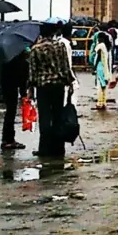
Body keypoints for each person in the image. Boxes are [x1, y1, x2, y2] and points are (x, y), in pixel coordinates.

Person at [27, 26, 75, 159]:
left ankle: (44, 148)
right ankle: (59, 148)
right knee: (58, 116)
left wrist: (30, 88)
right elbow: (65, 66)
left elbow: (32, 71)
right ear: (53, 33)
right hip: (58, 86)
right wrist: (70, 82)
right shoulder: (60, 46)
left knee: (45, 118)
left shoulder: (35, 49)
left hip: (43, 87)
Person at [91, 31, 112, 110]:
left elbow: (97, 57)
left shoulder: (100, 46)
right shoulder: (107, 46)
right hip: (105, 67)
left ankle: (99, 103)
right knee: (104, 85)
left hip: (100, 66)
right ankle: (104, 102)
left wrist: (94, 67)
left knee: (100, 85)